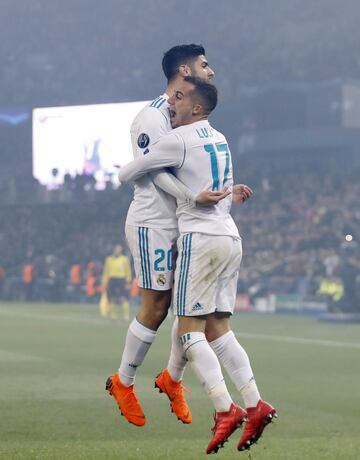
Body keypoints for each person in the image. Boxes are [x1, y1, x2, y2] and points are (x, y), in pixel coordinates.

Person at [118, 77, 277, 454]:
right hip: (230, 239)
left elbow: (128, 173)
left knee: (190, 331)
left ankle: (225, 408)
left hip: (201, 241)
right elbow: (221, 187)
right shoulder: (220, 138)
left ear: (196, 108)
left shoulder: (177, 140)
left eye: (180, 98)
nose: (171, 104)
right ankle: (256, 403)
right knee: (219, 328)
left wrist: (180, 191)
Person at [106, 44, 229, 427]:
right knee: (157, 305)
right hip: (153, 222)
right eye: (204, 65)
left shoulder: (190, 111)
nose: (210, 70)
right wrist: (193, 197)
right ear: (183, 69)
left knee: (190, 309)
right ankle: (123, 382)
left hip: (183, 224)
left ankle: (172, 379)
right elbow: (152, 171)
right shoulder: (153, 117)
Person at [101, 245, 132, 321]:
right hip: (112, 279)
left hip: (121, 280)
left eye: (119, 250)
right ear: (114, 250)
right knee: (112, 298)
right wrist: (104, 282)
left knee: (123, 298)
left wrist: (128, 282)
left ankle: (126, 316)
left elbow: (128, 271)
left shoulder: (124, 259)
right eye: (116, 249)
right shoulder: (109, 259)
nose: (118, 251)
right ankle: (113, 316)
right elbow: (106, 271)